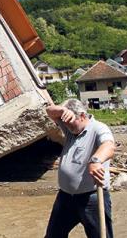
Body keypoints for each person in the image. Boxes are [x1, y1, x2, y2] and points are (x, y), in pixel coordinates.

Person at [45, 99, 115, 238]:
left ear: (82, 116)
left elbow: (109, 146)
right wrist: (63, 111)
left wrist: (96, 160)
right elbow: (49, 112)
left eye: (70, 122)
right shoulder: (71, 129)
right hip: (65, 197)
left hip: (91, 198)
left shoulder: (98, 128)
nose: (66, 125)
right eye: (65, 122)